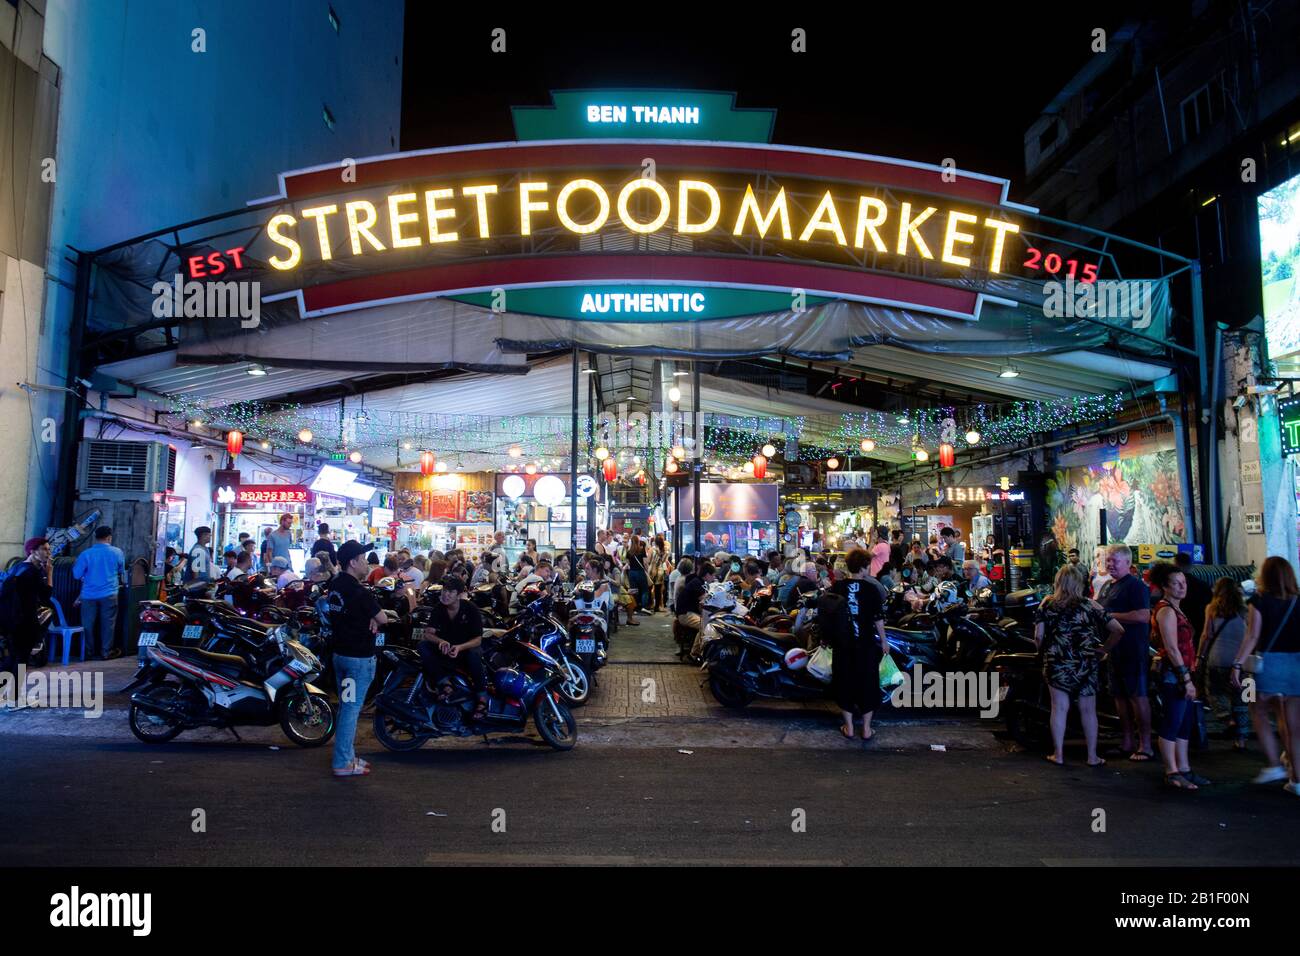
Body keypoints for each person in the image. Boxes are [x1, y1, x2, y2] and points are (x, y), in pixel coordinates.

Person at [1034, 564, 1124, 766]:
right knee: (1088, 710)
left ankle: (1058, 754)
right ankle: (1092, 756)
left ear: (1058, 583)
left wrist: (1041, 652)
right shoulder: (1091, 605)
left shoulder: (1046, 604)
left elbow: (1039, 636)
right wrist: (1104, 650)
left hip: (1056, 661)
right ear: (1080, 583)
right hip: (1085, 661)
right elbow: (1118, 630)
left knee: (1059, 708)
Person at [1231, 556, 1300, 793]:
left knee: (1255, 707)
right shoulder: (1298, 600)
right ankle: (1294, 771)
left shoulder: (1258, 600)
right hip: (1294, 666)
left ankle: (1273, 764)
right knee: (1291, 720)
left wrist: (1237, 664)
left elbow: (1252, 636)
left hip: (1262, 666)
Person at [320, 540, 385, 777]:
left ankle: (347, 756)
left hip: (341, 656)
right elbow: (384, 618)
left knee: (346, 707)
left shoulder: (337, 585)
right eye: (363, 559)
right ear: (353, 562)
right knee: (350, 709)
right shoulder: (359, 591)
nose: (367, 564)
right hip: (358, 659)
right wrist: (374, 618)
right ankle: (342, 763)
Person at [1147, 562, 1210, 790]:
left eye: (1183, 582)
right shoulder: (1166, 610)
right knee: (1173, 722)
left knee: (1184, 723)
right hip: (1174, 674)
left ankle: (1183, 768)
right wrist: (1184, 678)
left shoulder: (1176, 609)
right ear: (1166, 586)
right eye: (1176, 583)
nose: (1182, 587)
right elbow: (1172, 648)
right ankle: (1171, 771)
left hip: (1183, 672)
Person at [1097, 543, 1154, 762]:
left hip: (1133, 650)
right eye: (1108, 560)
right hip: (1114, 650)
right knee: (1119, 698)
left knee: (1137, 697)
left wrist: (1110, 615)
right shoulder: (1107, 587)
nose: (1110, 564)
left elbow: (1142, 616)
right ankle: (1127, 741)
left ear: (1128, 563)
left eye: (1115, 561)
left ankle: (1145, 745)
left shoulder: (1136, 586)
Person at [829, 548, 888, 741]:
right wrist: (884, 641)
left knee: (844, 681)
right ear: (864, 566)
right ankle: (867, 729)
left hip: (842, 644)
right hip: (866, 644)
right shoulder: (871, 589)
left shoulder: (837, 587)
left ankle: (849, 727)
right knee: (867, 682)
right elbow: (878, 618)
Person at [418, 575, 488, 719]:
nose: (445, 594)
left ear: (458, 594)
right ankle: (445, 683)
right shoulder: (438, 609)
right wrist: (440, 642)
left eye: (450, 592)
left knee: (474, 654)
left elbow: (478, 640)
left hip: (465, 651)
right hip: (445, 651)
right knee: (423, 646)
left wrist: (460, 647)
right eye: (444, 590)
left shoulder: (470, 609)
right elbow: (428, 634)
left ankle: (482, 698)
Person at [1198, 577, 1249, 751]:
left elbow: (1207, 635)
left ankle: (1228, 720)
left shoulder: (1211, 609)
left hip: (1217, 659)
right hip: (1242, 662)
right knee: (1243, 700)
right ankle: (1241, 740)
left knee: (1214, 693)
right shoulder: (1245, 610)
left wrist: (1199, 656)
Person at [1, 538, 53, 692]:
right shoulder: (32, 571)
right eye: (44, 549)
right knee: (21, 659)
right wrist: (49, 573)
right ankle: (14, 697)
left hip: (10, 620)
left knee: (12, 658)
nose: (48, 553)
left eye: (49, 549)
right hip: (25, 621)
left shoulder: (17, 568)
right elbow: (45, 596)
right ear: (32, 551)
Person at [72, 526, 126, 660]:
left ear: (95, 537)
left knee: (87, 625)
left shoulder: (86, 554)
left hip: (89, 595)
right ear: (109, 537)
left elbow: (76, 575)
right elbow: (121, 571)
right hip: (110, 594)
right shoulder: (117, 552)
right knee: (108, 624)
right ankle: (106, 652)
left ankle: (88, 652)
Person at [1173, 552, 1211, 641]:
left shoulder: (1173, 587)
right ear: (1191, 565)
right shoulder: (1203, 585)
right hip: (1201, 627)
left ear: (1176, 565)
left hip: (1181, 629)